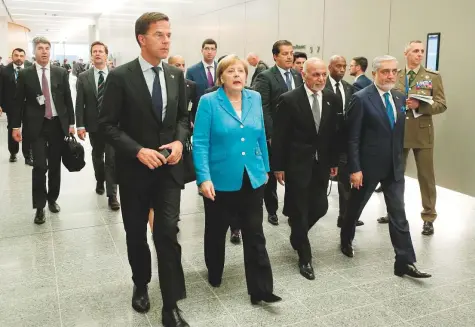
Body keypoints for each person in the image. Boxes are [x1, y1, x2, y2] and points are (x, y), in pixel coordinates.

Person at [98, 12, 190, 327]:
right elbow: (106, 125)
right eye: (160, 35)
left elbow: (181, 119)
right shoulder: (121, 77)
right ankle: (140, 282)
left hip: (168, 170)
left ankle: (171, 304)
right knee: (136, 233)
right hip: (134, 171)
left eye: (169, 34)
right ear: (142, 38)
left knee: (167, 233)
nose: (167, 40)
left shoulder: (175, 76)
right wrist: (137, 150)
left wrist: (179, 143)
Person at [193, 54, 281, 305]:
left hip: (251, 176)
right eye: (230, 71)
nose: (237, 75)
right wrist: (203, 178)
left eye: (241, 71)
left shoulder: (254, 97)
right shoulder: (208, 102)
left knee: (255, 233)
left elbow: (260, 134)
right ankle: (215, 271)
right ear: (221, 77)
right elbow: (200, 142)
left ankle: (261, 290)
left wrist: (264, 168)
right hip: (219, 179)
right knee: (216, 230)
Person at [339, 55, 431, 279]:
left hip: (394, 166)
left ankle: (405, 262)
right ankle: (345, 237)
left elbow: (397, 134)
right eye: (385, 71)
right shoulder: (361, 98)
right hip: (367, 167)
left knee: (398, 214)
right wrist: (355, 168)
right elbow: (352, 138)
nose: (390, 75)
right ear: (375, 74)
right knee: (355, 207)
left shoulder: (399, 98)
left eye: (394, 71)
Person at [273, 58, 340, 280]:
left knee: (320, 206)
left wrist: (333, 162)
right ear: (304, 75)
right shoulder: (289, 100)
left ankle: (297, 235)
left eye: (323, 75)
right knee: (300, 210)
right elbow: (280, 136)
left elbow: (333, 133)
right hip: (296, 164)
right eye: (315, 75)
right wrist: (279, 166)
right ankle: (305, 257)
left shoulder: (331, 98)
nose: (321, 79)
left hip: (321, 165)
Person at [376, 41, 447, 236]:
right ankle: (394, 212)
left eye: (422, 51)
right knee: (395, 175)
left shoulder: (432, 77)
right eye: (415, 51)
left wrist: (421, 106)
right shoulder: (395, 75)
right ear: (406, 53)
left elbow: (441, 104)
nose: (419, 54)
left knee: (426, 176)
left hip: (422, 132)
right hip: (398, 131)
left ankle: (428, 217)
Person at [11, 37, 75, 224]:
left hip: (57, 124)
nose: (45, 51)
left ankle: (52, 199)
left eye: (47, 48)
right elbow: (18, 103)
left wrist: (71, 123)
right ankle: (39, 206)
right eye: (40, 48)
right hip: (36, 126)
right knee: (40, 166)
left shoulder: (60, 72)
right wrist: (16, 126)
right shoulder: (25, 75)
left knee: (55, 165)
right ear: (34, 51)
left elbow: (67, 100)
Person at [254, 40, 303, 226]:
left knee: (293, 174)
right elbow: (263, 108)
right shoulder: (265, 77)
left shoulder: (298, 76)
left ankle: (290, 209)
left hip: (295, 135)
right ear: (275, 56)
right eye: (285, 53)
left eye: (291, 53)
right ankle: (272, 210)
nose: (290, 56)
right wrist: (271, 134)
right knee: (274, 174)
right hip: (275, 135)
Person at [76, 41, 120, 211]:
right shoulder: (84, 77)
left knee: (111, 158)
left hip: (113, 124)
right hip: (93, 124)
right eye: (94, 51)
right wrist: (80, 125)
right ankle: (99, 179)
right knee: (97, 155)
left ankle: (112, 195)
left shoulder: (116, 75)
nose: (97, 54)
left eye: (101, 51)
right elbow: (79, 103)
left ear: (106, 54)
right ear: (91, 55)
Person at [324, 55, 363, 228]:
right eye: (337, 66)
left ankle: (345, 216)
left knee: (344, 181)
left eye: (344, 66)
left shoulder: (350, 88)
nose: (341, 69)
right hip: (324, 139)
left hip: (343, 140)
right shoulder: (321, 86)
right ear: (329, 67)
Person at [0, 48, 34, 165]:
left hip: (29, 104)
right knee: (13, 128)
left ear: (24, 57)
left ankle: (28, 154)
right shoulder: (5, 70)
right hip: (12, 106)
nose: (19, 58)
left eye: (21, 55)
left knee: (28, 129)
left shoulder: (31, 68)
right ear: (12, 56)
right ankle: (13, 152)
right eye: (16, 55)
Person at [186, 39, 218, 105]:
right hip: (198, 108)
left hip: (218, 108)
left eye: (212, 49)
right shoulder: (192, 71)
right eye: (206, 49)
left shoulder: (221, 69)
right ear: (202, 51)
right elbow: (188, 95)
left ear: (216, 51)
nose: (209, 52)